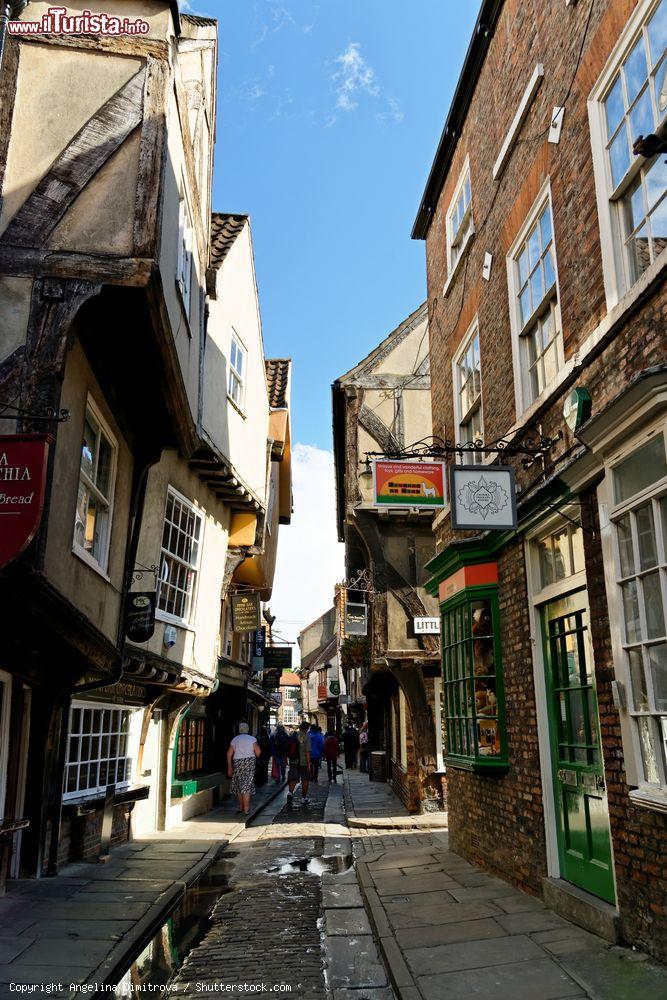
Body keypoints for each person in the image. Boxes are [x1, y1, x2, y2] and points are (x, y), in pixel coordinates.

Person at [226, 723, 261, 816]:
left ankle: (241, 807)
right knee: (246, 785)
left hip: (237, 763)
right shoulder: (252, 739)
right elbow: (258, 752)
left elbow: (229, 754)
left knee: (239, 786)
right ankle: (246, 809)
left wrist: (229, 767)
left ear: (239, 729)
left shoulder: (235, 739)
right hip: (249, 763)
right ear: (247, 729)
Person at [287, 720, 311, 807]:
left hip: (293, 761)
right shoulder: (306, 737)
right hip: (303, 762)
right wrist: (309, 764)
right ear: (306, 729)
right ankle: (303, 798)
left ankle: (290, 793)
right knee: (305, 779)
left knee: (293, 778)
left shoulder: (293, 735)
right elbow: (307, 752)